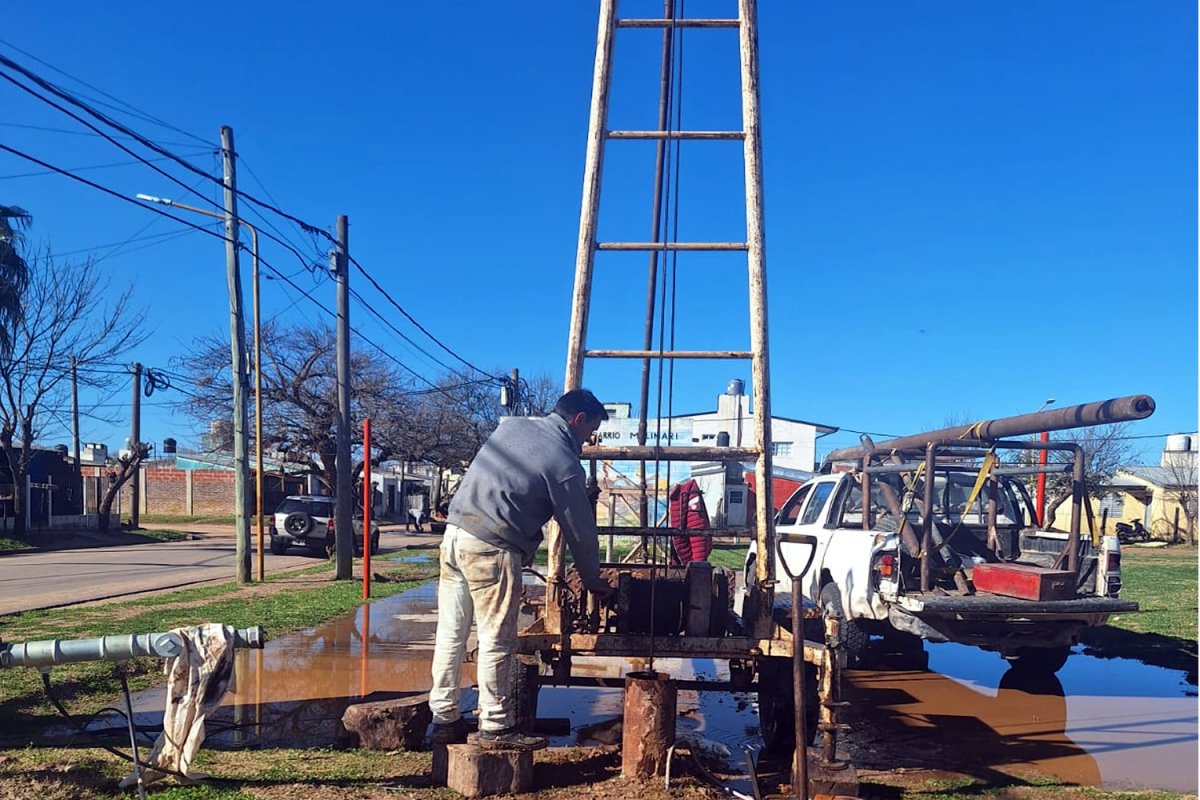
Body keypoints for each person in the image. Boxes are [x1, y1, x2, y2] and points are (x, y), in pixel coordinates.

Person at [429, 389, 614, 751]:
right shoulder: (563, 460)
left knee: (451, 632)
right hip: (491, 547)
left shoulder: (511, 427)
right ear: (577, 420)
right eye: (589, 431)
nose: (587, 441)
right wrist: (592, 580)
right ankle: (496, 727)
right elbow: (580, 532)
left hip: (454, 536)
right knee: (497, 638)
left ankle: (444, 719)